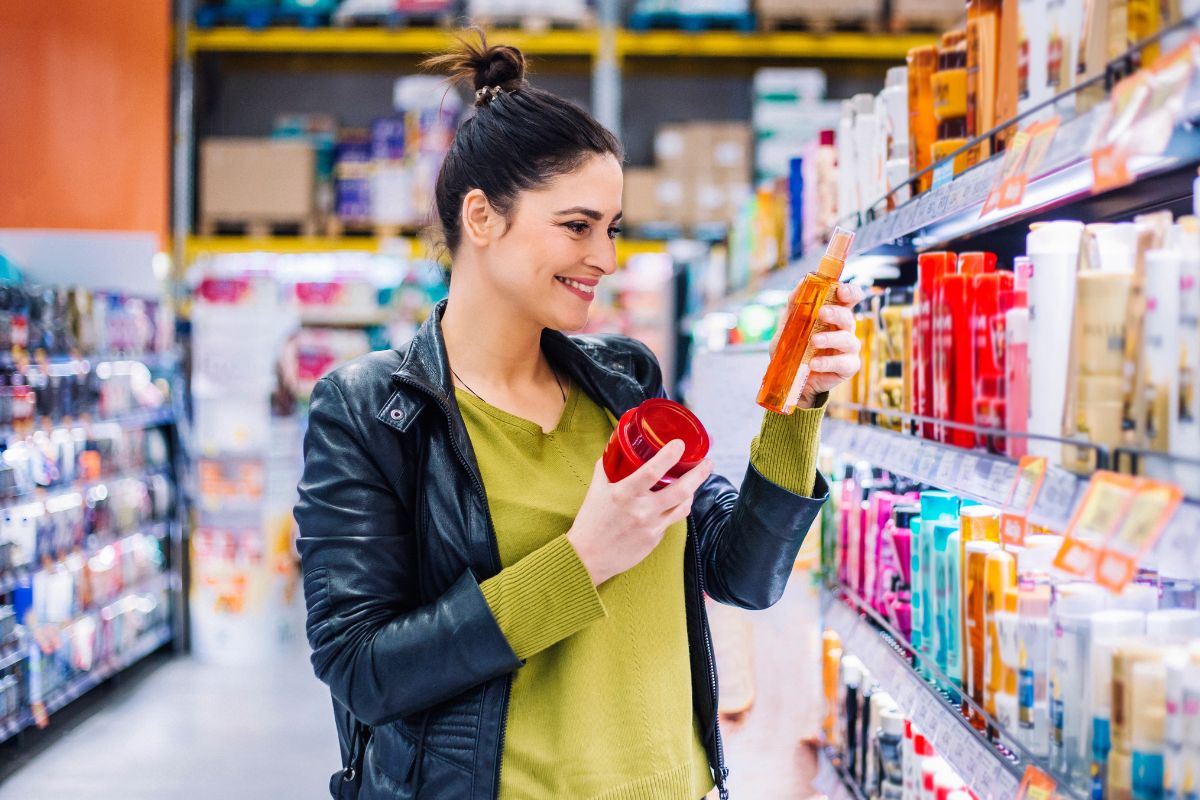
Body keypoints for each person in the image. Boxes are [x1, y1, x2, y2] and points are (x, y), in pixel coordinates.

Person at [294, 34, 864, 800]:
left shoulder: (622, 382)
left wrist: (798, 406)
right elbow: (363, 670)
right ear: (481, 217)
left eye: (612, 228)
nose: (605, 256)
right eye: (577, 225)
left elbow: (744, 575)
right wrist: (583, 558)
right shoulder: (374, 412)